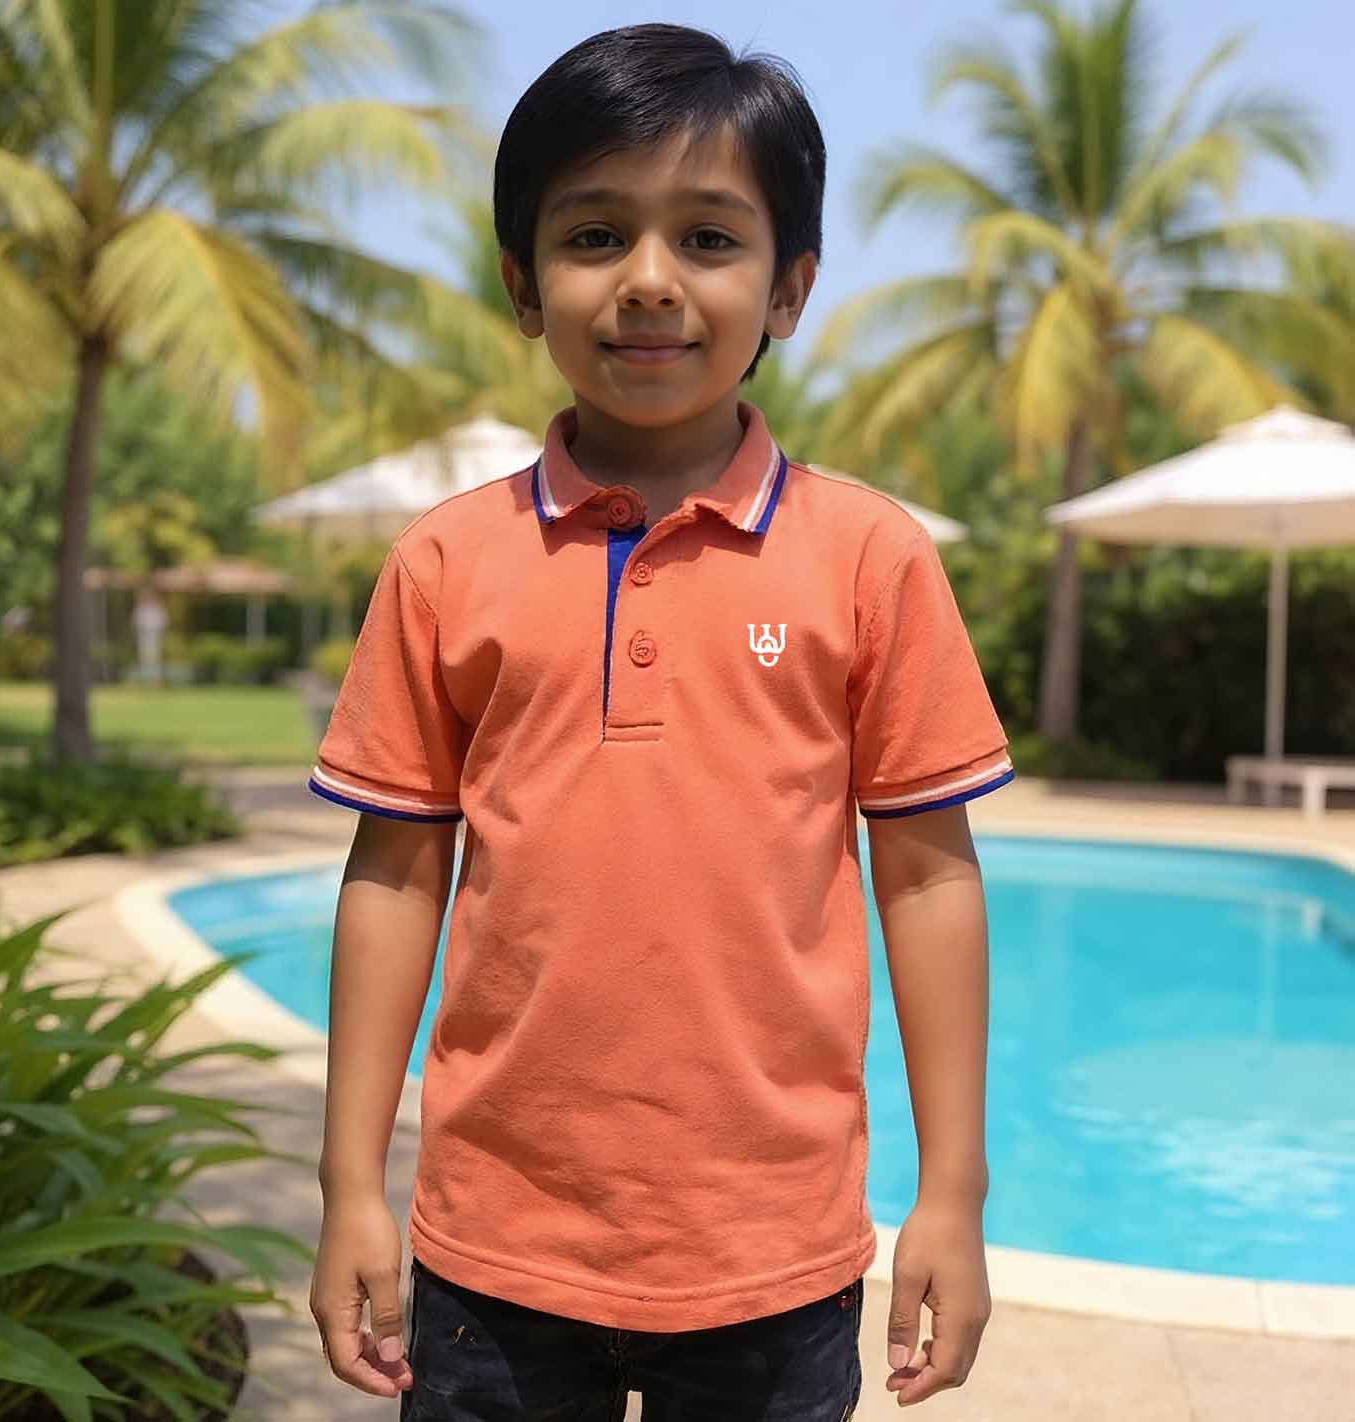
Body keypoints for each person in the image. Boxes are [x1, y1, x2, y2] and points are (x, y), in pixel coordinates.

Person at [307, 22, 1014, 1420]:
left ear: (789, 285)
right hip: (492, 1250)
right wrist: (347, 1189)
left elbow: (928, 877)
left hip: (771, 1253)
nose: (646, 281)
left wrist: (953, 1191)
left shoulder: (869, 559)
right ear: (522, 285)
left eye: (707, 237)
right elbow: (394, 875)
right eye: (592, 236)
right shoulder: (447, 563)